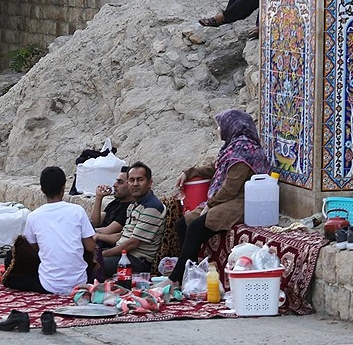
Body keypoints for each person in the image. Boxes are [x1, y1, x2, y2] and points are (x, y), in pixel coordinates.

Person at [161, 109, 271, 287]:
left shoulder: (244, 150)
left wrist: (210, 204)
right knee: (183, 223)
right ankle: (191, 274)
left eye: (220, 126)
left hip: (239, 201)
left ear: (232, 126)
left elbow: (231, 187)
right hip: (224, 199)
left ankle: (176, 278)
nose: (218, 129)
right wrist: (190, 172)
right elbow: (216, 168)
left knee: (196, 227)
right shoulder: (233, 146)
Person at [2, 166, 95, 295]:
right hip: (80, 281)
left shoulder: (34, 216)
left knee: (10, 262)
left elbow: (31, 249)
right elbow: (90, 247)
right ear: (64, 188)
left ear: (42, 189)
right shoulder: (77, 210)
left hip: (49, 284)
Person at [101, 162, 166, 276]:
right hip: (123, 254)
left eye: (140, 180)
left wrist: (104, 254)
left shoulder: (152, 207)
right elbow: (122, 235)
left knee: (92, 264)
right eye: (131, 180)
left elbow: (132, 243)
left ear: (150, 183)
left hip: (137, 261)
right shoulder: (134, 205)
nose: (135, 184)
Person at [89, 167, 132, 246]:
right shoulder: (116, 202)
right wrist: (99, 197)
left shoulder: (129, 208)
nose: (114, 185)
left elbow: (108, 231)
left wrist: (85, 230)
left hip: (105, 245)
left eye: (120, 182)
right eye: (116, 181)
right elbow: (95, 222)